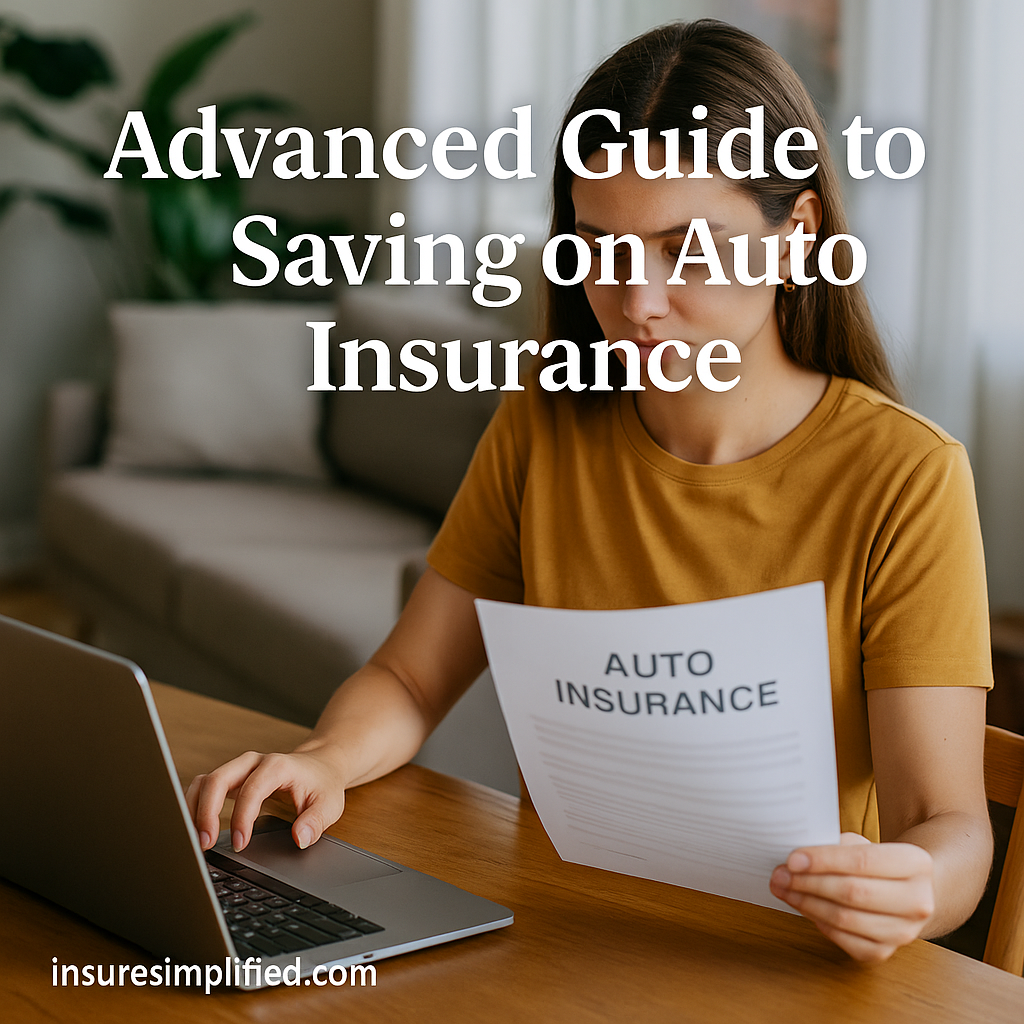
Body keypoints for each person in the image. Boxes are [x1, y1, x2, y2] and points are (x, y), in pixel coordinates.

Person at [187, 20, 993, 964]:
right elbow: (410, 679)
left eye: (687, 250)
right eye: (602, 248)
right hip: (554, 939)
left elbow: (947, 827)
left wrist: (914, 887)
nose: (636, 302)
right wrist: (323, 759)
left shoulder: (906, 477)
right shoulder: (544, 422)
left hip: (776, 961)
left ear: (795, 237)